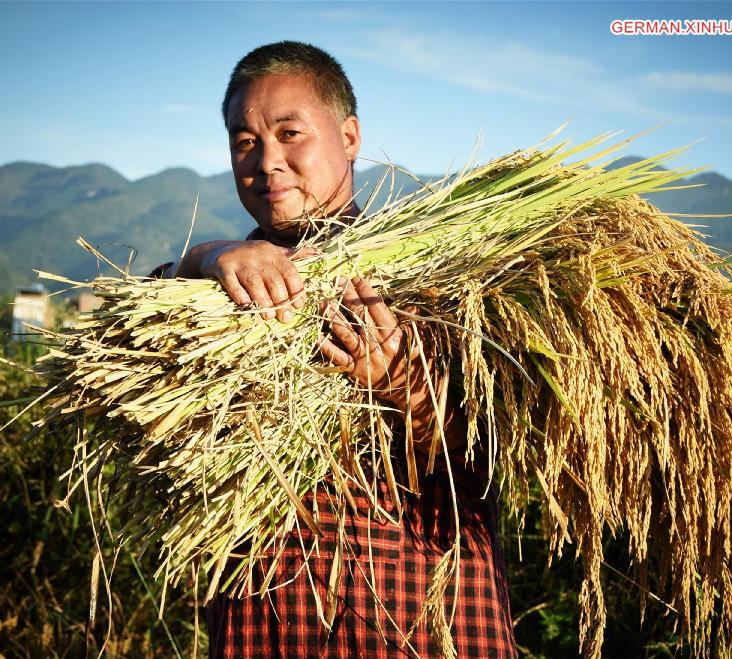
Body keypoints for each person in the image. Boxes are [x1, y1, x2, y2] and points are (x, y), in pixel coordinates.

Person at [157, 41, 516, 658]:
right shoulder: (212, 292)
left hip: (424, 623)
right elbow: (127, 330)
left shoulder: (449, 276)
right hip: (266, 627)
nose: (267, 161)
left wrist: (401, 384)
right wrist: (206, 257)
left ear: (349, 136)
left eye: (291, 133)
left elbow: (504, 453)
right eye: (245, 142)